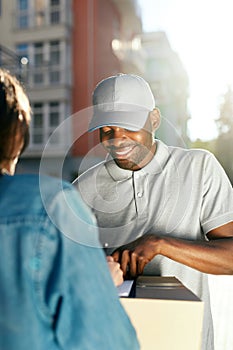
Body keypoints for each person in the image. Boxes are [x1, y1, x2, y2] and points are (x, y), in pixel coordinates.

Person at [73, 73, 233, 350]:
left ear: (155, 120)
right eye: (106, 129)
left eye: (128, 126)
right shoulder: (83, 189)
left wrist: (159, 244)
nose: (117, 139)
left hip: (187, 341)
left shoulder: (199, 167)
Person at [0, 68, 139, 350]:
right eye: (107, 129)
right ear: (15, 136)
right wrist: (99, 285)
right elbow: (109, 343)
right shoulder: (49, 208)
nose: (117, 138)